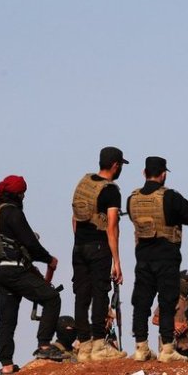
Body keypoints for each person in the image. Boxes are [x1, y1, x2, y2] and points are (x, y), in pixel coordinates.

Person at [0, 174, 61, 375]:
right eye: (22, 194)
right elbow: (30, 243)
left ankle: (6, 365)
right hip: (15, 270)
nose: (23, 198)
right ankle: (44, 346)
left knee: (6, 319)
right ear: (17, 194)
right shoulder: (13, 213)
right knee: (51, 298)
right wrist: (49, 259)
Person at [127, 156, 188, 362]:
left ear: (144, 173)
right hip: (167, 257)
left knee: (141, 302)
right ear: (164, 174)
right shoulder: (171, 197)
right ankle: (167, 349)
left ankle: (141, 347)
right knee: (167, 302)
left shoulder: (132, 198)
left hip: (142, 257)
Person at [71, 146, 127, 362]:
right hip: (99, 247)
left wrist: (80, 241)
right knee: (100, 294)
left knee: (81, 295)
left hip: (79, 247)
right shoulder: (111, 190)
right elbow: (112, 226)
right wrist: (117, 261)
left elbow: (74, 217)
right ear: (116, 165)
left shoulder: (84, 183)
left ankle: (83, 346)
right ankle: (98, 345)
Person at [154, 269, 188, 362]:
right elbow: (155, 319)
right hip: (171, 344)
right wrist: (174, 324)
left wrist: (187, 325)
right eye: (186, 281)